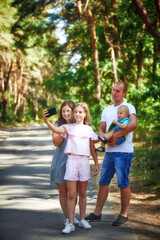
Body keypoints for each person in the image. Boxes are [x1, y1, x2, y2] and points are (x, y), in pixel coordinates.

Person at [85, 81, 137, 226]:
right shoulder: (107, 110)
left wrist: (114, 136)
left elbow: (133, 125)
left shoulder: (129, 107)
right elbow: (102, 130)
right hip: (109, 152)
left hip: (124, 152)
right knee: (103, 182)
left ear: (124, 93)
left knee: (122, 183)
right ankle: (97, 213)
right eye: (113, 90)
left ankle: (123, 214)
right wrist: (106, 139)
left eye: (118, 91)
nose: (114, 93)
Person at [43, 102, 99, 234]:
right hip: (71, 161)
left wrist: (112, 133)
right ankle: (70, 222)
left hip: (84, 161)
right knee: (71, 194)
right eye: (76, 112)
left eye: (80, 112)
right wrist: (47, 121)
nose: (77, 114)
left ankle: (83, 218)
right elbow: (57, 131)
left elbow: (95, 143)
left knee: (83, 193)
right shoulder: (68, 127)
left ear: (85, 114)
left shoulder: (89, 129)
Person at [46, 101, 79, 226]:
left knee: (73, 192)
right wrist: (64, 131)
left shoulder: (78, 124)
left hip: (74, 159)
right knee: (63, 192)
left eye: (68, 111)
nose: (65, 113)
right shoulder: (58, 125)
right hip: (61, 159)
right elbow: (55, 142)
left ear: (73, 111)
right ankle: (67, 218)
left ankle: (72, 215)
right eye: (63, 111)